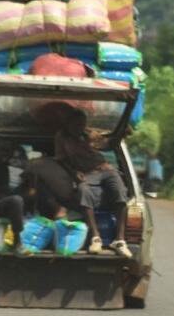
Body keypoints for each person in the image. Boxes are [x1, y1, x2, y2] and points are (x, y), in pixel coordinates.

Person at [54, 108, 133, 258]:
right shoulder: (61, 137)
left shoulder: (89, 134)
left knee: (120, 191)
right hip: (87, 173)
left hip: (105, 169)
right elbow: (61, 160)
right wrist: (73, 172)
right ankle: (95, 237)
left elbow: (109, 144)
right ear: (68, 124)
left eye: (82, 124)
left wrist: (121, 133)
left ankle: (120, 240)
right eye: (76, 124)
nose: (80, 127)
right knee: (83, 190)